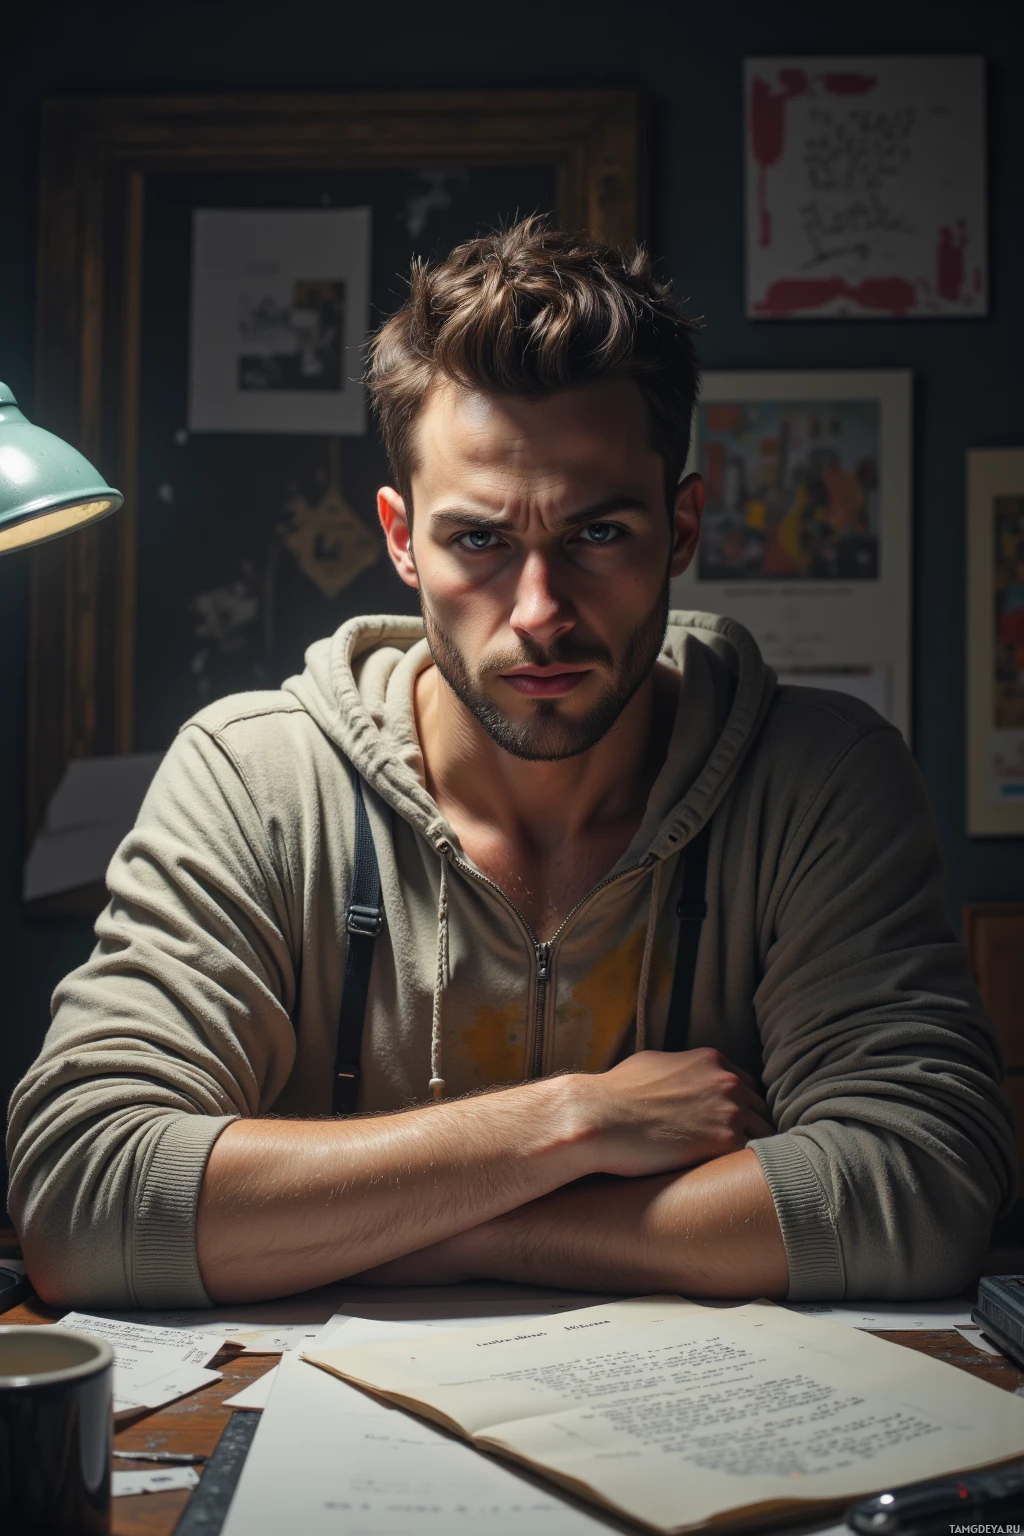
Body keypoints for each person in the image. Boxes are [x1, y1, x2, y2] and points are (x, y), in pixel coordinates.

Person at [7, 219, 1014, 1311]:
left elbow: (927, 1186)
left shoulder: (821, 779)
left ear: (679, 529)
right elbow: (82, 1199)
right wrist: (567, 1122)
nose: (539, 615)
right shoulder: (256, 781)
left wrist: (421, 1234)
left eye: (597, 535)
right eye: (479, 541)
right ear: (401, 539)